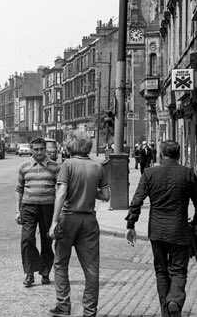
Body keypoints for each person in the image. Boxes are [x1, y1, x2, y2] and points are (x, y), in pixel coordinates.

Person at [125, 140, 197, 317]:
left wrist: (131, 225)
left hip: (157, 229)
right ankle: (174, 300)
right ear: (178, 155)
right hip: (180, 228)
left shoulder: (150, 173)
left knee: (161, 271)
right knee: (179, 270)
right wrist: (195, 222)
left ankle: (167, 311)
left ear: (160, 154)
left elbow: (137, 201)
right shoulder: (188, 173)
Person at [48, 130, 111, 317]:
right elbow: (106, 196)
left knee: (60, 263)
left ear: (70, 146)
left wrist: (53, 222)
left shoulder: (67, 165)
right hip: (90, 220)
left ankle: (63, 305)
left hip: (69, 218)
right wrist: (91, 191)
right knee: (91, 268)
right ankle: (90, 311)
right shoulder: (98, 167)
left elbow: (61, 193)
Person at [15, 137, 60, 288]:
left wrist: (59, 214)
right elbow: (19, 189)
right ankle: (29, 273)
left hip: (48, 207)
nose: (39, 152)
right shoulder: (24, 167)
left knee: (47, 240)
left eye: (42, 149)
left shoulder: (55, 167)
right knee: (27, 240)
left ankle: (45, 272)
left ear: (45, 149)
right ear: (31, 150)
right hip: (28, 207)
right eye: (36, 149)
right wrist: (17, 210)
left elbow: (61, 190)